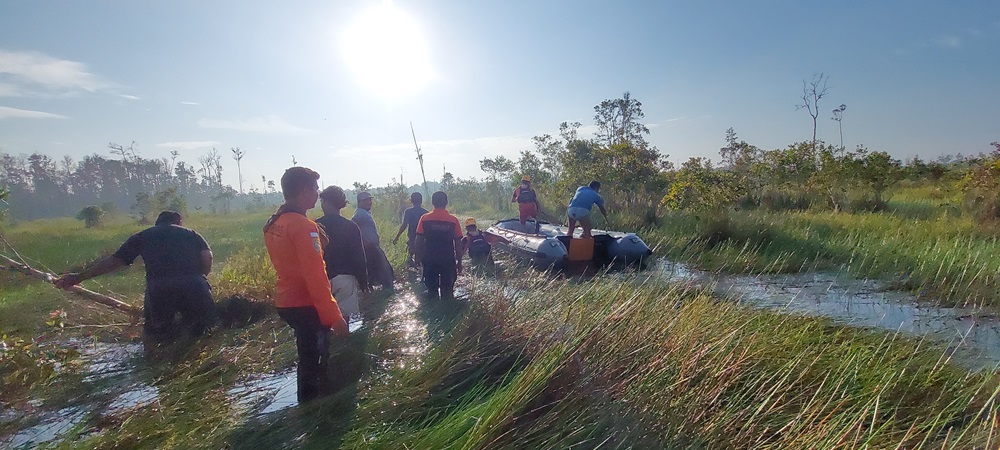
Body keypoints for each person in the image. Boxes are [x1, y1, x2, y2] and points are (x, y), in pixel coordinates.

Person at [54, 210, 217, 350]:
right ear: (178, 222)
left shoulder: (143, 235)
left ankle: (151, 365)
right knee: (204, 329)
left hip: (159, 289)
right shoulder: (192, 234)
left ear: (157, 223)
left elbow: (115, 261)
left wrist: (78, 277)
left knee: (155, 332)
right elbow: (207, 257)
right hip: (194, 285)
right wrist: (200, 278)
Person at [264, 166, 349, 403]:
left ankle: (307, 405)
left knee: (307, 357)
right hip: (305, 303)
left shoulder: (276, 222)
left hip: (286, 301)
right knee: (316, 361)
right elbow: (316, 276)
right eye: (315, 188)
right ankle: (313, 412)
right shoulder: (303, 226)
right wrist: (334, 316)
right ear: (304, 190)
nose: (317, 193)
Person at [316, 186, 369, 321]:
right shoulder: (350, 226)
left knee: (326, 321)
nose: (322, 205)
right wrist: (364, 283)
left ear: (327, 202)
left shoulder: (315, 226)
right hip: (345, 279)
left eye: (322, 201)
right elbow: (359, 257)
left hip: (321, 279)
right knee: (349, 319)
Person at [414, 191, 463, 299]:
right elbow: (458, 243)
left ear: (432, 202)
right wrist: (459, 262)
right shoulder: (453, 220)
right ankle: (448, 312)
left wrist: (419, 258)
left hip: (430, 260)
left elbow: (418, 241)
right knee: (448, 292)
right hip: (448, 260)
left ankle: (434, 312)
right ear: (446, 202)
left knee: (432, 291)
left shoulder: (424, 218)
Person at [352, 191, 394, 289]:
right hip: (370, 248)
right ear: (360, 202)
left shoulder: (364, 213)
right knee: (386, 273)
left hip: (372, 247)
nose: (369, 202)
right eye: (367, 200)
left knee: (376, 272)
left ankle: (373, 294)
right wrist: (362, 241)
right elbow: (352, 225)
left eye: (370, 200)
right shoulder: (360, 213)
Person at [391, 192, 428, 270]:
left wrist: (397, 237)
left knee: (410, 258)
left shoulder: (408, 211)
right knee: (422, 260)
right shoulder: (426, 213)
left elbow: (404, 225)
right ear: (421, 201)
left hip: (412, 237)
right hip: (423, 239)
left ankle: (412, 277)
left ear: (411, 200)